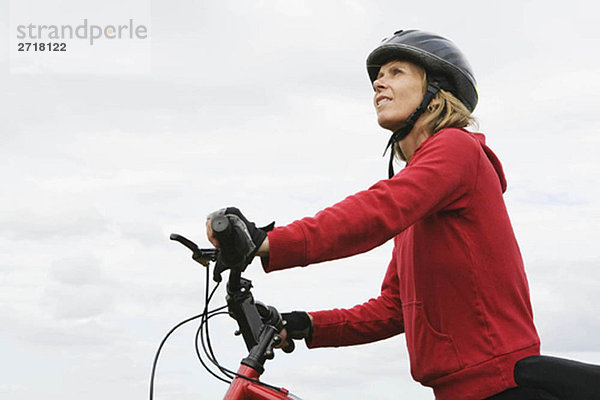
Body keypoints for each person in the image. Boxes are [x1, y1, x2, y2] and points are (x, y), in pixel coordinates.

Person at [207, 30, 549, 400]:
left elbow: (379, 209)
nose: (378, 83)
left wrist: (269, 242)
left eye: (396, 72)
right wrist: (306, 325)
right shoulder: (424, 203)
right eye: (377, 77)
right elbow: (394, 309)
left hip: (498, 388)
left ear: (436, 95)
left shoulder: (456, 148)